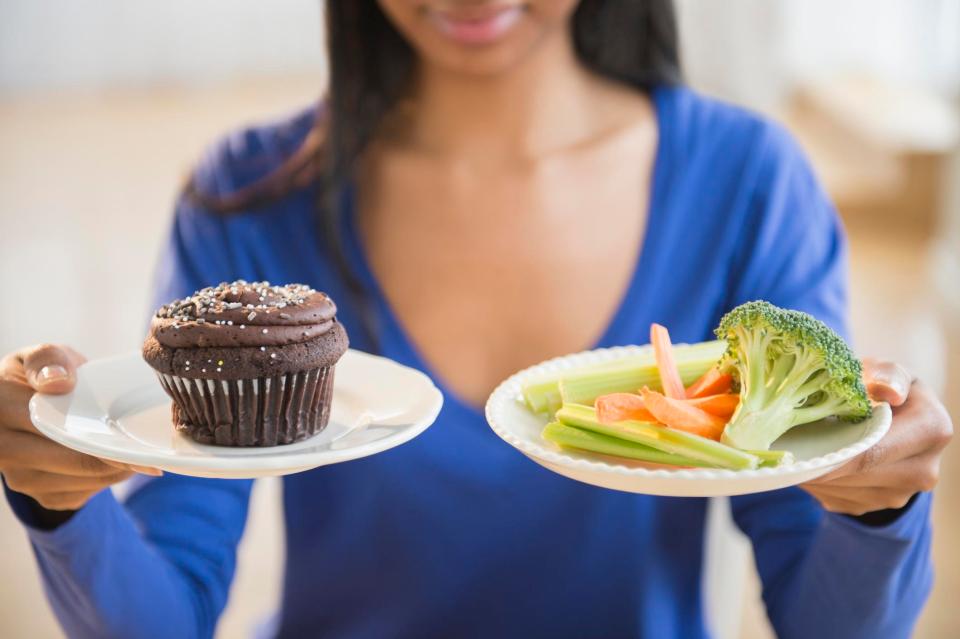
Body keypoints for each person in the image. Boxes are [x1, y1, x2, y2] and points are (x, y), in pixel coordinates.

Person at [0, 1, 953, 637]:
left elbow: (826, 618)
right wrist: (58, 500)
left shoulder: (748, 183)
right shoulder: (246, 199)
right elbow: (163, 609)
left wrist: (880, 506)